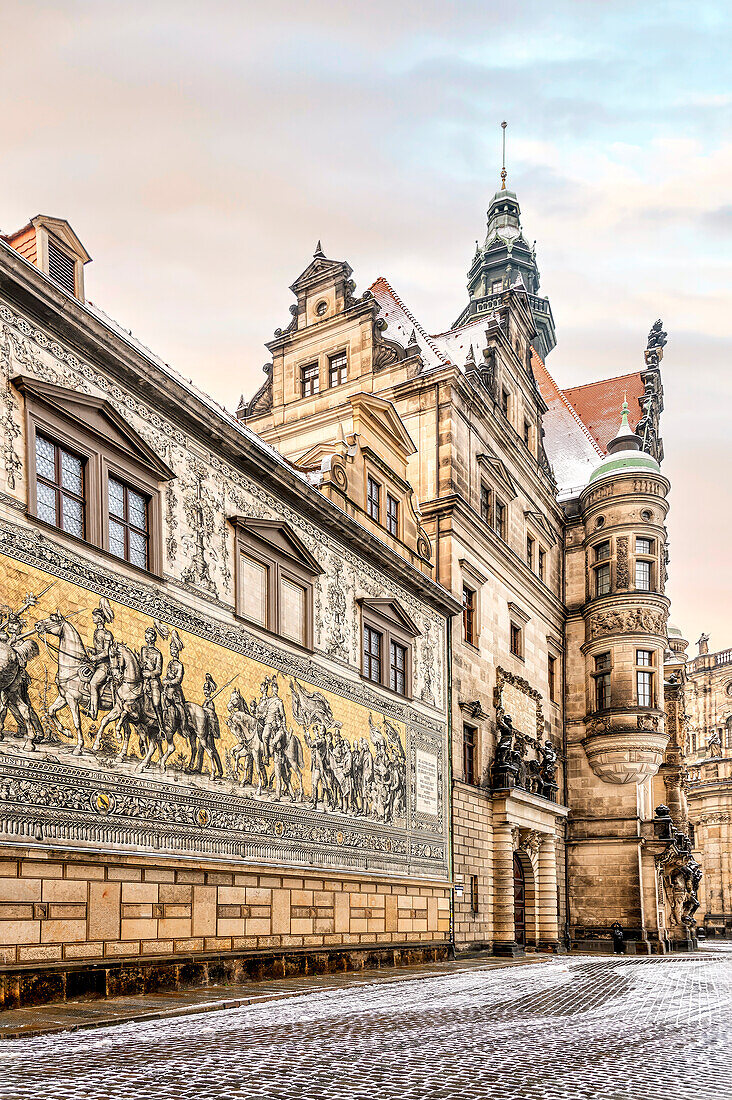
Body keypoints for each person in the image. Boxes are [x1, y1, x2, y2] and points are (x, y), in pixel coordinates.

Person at [88, 599, 114, 720]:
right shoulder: (96, 631)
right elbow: (98, 650)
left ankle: (93, 712)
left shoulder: (107, 634)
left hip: (105, 666)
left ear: (100, 618)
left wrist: (96, 657)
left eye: (95, 616)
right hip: (97, 664)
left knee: (93, 684)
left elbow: (107, 652)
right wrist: (91, 651)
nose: (93, 618)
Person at [140, 626, 164, 734]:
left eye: (150, 637)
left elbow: (158, 670)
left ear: (153, 638)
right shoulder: (143, 649)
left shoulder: (157, 653)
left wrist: (150, 673)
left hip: (153, 681)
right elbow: (141, 663)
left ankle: (161, 726)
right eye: (146, 637)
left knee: (156, 703)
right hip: (142, 679)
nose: (148, 639)